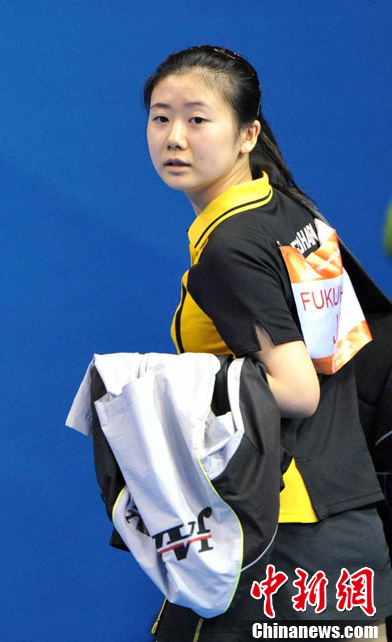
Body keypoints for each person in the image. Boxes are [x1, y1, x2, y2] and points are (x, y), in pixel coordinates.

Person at [142, 45, 392, 641]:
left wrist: (164, 389)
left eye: (197, 119)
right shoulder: (290, 212)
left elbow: (298, 390)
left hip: (282, 532)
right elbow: (346, 348)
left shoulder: (230, 249)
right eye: (160, 117)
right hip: (349, 520)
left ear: (248, 133)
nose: (175, 137)